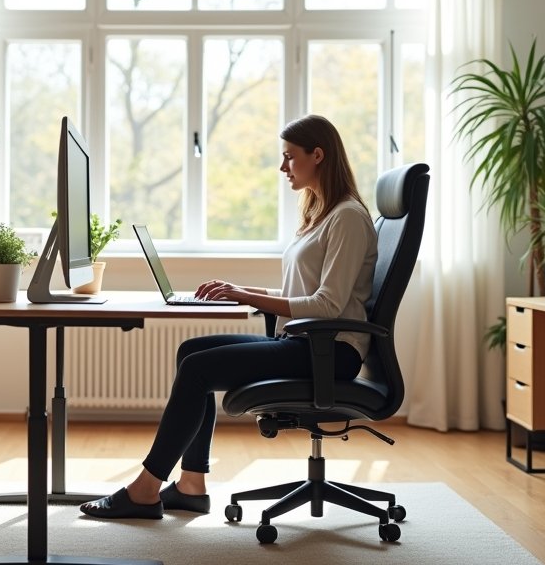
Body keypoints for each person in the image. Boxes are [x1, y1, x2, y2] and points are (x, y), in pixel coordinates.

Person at [79, 113, 378, 520]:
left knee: (199, 370)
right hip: (306, 343)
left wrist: (243, 294)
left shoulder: (347, 218)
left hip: (330, 352)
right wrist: (240, 291)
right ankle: (190, 484)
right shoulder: (322, 214)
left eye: (290, 157)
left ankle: (146, 488)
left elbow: (327, 305)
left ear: (318, 155)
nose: (282, 167)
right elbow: (301, 296)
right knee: (191, 352)